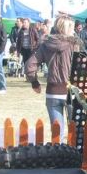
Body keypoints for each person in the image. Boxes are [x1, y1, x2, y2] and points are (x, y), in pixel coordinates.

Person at [24, 14, 80, 143]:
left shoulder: (46, 44)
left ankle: (58, 160)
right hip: (71, 91)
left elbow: (30, 65)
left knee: (56, 133)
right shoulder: (74, 45)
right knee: (75, 132)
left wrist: (34, 82)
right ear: (68, 28)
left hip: (53, 92)